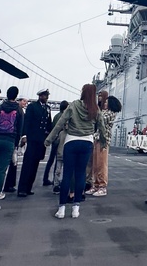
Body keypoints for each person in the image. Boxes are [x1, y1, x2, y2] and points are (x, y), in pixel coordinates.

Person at [44, 84, 108, 220]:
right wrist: (103, 142)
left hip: (71, 142)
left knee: (67, 174)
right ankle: (76, 209)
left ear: (83, 92)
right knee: (80, 175)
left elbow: (60, 124)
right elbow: (102, 127)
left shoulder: (73, 105)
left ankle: (61, 209)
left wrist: (49, 140)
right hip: (87, 144)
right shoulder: (95, 109)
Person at [17, 88, 53, 196]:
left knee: (35, 164)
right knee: (28, 164)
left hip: (41, 140)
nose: (46, 98)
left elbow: (48, 124)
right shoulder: (32, 107)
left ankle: (28, 187)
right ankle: (22, 188)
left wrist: (49, 137)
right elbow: (27, 121)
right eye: (44, 95)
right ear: (40, 96)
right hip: (32, 138)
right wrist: (24, 135)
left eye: (47, 95)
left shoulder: (47, 108)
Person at [88, 94, 120, 197]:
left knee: (102, 164)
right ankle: (96, 184)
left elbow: (100, 119)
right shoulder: (104, 112)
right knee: (95, 164)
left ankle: (102, 186)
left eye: (106, 102)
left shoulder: (111, 113)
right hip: (97, 139)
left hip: (103, 141)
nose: (104, 104)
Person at [50, 100, 70, 193]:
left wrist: (50, 140)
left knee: (57, 169)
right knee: (63, 170)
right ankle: (59, 184)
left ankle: (56, 184)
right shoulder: (66, 133)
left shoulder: (56, 116)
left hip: (60, 152)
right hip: (64, 153)